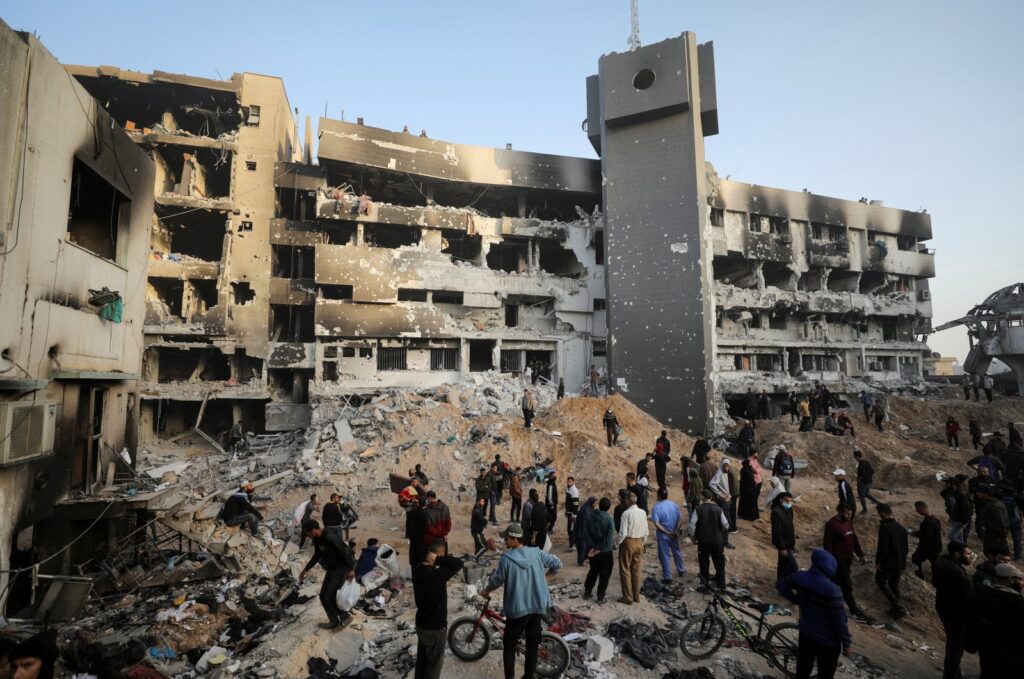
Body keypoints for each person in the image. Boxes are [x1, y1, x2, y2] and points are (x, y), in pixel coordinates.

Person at [481, 524, 563, 679]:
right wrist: (548, 577)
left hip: (517, 609)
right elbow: (557, 563)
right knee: (532, 644)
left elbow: (497, 580)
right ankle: (529, 676)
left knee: (510, 645)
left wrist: (486, 590)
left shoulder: (507, 559)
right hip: (537, 607)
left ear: (514, 540)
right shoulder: (537, 553)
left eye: (507, 538)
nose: (505, 540)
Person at [777, 548, 852, 679]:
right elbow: (839, 621)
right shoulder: (832, 590)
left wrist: (797, 600)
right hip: (827, 641)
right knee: (825, 674)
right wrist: (846, 643)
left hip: (806, 632)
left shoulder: (800, 576)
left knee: (803, 669)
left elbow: (781, 585)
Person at [412, 541, 464, 679]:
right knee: (434, 667)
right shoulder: (437, 575)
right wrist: (439, 559)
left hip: (421, 624)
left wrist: (434, 558)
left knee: (422, 663)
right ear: (440, 554)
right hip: (435, 628)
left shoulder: (417, 570)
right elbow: (458, 563)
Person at [300, 519, 356, 630]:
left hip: (342, 569)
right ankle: (333, 621)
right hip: (331, 569)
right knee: (322, 596)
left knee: (329, 596)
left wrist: (352, 568)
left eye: (308, 534)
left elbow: (346, 551)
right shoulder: (317, 539)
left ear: (314, 530)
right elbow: (317, 555)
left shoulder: (330, 536)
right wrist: (306, 569)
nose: (308, 536)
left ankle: (345, 617)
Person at [972, 561, 1024, 679]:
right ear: (1010, 580)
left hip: (986, 647)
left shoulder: (982, 592)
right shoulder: (1017, 602)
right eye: (1019, 580)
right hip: (1011, 652)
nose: (1022, 583)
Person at [932, 541, 973, 679]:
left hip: (945, 609)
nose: (970, 556)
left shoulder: (942, 563)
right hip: (956, 614)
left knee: (953, 646)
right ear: (957, 554)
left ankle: (954, 673)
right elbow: (966, 596)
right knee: (955, 648)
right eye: (967, 554)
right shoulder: (957, 574)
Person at [823, 504, 869, 621]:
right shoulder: (831, 525)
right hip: (838, 560)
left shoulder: (848, 522)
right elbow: (827, 545)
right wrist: (829, 562)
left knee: (835, 583)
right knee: (847, 585)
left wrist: (860, 554)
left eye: (851, 513)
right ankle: (854, 611)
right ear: (839, 512)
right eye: (847, 513)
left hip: (848, 559)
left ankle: (828, 602)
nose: (850, 516)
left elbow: (854, 539)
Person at [689, 490, 729, 590]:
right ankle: (721, 585)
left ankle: (705, 584)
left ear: (703, 498)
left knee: (704, 563)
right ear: (711, 498)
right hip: (717, 541)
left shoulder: (698, 509)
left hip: (703, 541)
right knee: (719, 563)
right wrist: (720, 532)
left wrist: (692, 536)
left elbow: (692, 524)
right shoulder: (719, 509)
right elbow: (726, 524)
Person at [874, 503, 909, 618]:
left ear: (883, 513)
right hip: (899, 562)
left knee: (881, 582)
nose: (879, 515)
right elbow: (906, 547)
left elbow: (882, 547)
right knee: (894, 584)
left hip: (888, 562)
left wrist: (879, 562)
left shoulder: (885, 528)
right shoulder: (901, 528)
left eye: (879, 513)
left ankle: (898, 606)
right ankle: (895, 610)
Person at [614, 491, 649, 604]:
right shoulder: (643, 512)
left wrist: (616, 543)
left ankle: (627, 597)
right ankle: (636, 596)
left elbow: (623, 533)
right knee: (636, 570)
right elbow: (646, 531)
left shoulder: (626, 514)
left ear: (628, 501)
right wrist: (643, 542)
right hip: (639, 541)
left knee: (625, 570)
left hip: (628, 542)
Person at [650, 486, 686, 583]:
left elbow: (657, 524)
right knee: (677, 552)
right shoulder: (673, 505)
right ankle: (681, 569)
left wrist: (666, 532)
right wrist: (675, 531)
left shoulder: (656, 508)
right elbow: (681, 519)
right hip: (674, 534)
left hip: (663, 536)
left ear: (658, 496)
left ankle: (668, 577)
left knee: (664, 556)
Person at [583, 497, 615, 603]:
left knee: (593, 571)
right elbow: (609, 537)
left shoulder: (590, 516)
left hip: (593, 550)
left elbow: (585, 532)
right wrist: (599, 548)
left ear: (599, 505)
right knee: (604, 574)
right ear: (608, 507)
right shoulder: (609, 519)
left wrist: (593, 547)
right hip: (605, 551)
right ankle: (600, 597)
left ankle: (587, 592)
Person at [975, 484, 1009, 557]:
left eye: (979, 492)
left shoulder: (992, 505)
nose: (977, 494)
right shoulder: (993, 503)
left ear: (986, 494)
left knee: (992, 554)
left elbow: (1001, 522)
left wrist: (1002, 535)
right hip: (993, 534)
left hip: (995, 536)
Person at [910, 501, 942, 579]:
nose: (917, 511)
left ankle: (920, 577)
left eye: (917, 509)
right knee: (935, 565)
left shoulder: (929, 522)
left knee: (916, 559)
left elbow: (926, 536)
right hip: (934, 546)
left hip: (928, 547)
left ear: (921, 508)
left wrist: (916, 534)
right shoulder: (933, 519)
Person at [771, 491, 798, 581]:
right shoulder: (776, 512)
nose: (789, 503)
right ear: (781, 500)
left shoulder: (789, 509)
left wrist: (792, 544)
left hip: (789, 542)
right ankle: (784, 581)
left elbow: (791, 526)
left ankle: (782, 582)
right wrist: (782, 547)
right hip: (783, 544)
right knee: (793, 566)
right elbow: (777, 532)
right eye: (786, 500)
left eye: (790, 501)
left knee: (783, 564)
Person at [575, 495, 596, 566]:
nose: (595, 505)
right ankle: (580, 562)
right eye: (594, 503)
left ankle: (584, 559)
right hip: (582, 532)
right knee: (582, 547)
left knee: (586, 546)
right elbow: (583, 523)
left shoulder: (588, 507)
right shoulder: (586, 510)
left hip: (583, 531)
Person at [406, 496, 428, 567]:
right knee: (421, 556)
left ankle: (413, 571)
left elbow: (407, 525)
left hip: (413, 537)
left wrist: (408, 534)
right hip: (422, 538)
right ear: (424, 504)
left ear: (418, 503)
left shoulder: (410, 512)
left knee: (413, 555)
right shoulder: (425, 514)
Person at [738, 456, 760, 521]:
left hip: (744, 489)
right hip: (749, 490)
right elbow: (751, 480)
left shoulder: (744, 469)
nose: (751, 465)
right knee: (750, 504)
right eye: (750, 464)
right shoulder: (747, 471)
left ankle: (743, 514)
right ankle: (749, 516)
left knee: (744, 503)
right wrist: (754, 483)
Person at [564, 476, 580, 550]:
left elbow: (576, 504)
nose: (569, 483)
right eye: (568, 481)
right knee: (570, 529)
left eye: (570, 481)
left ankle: (572, 545)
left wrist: (574, 515)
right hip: (569, 513)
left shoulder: (574, 491)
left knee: (571, 529)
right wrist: (566, 512)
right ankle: (574, 543)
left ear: (573, 482)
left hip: (572, 514)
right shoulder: (569, 490)